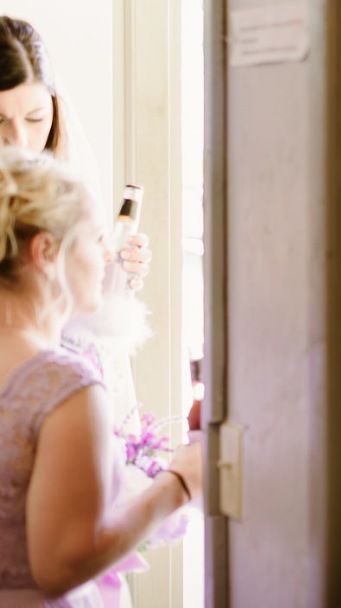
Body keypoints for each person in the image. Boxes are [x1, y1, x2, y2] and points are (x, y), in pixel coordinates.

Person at [0, 17, 160, 607]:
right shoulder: (60, 388)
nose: (20, 140)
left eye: (36, 120)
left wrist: (112, 275)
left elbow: (91, 311)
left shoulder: (67, 185)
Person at [0, 147, 201, 607]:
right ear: (46, 252)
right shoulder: (60, 384)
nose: (110, 251)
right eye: (95, 239)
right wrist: (179, 484)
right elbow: (61, 566)